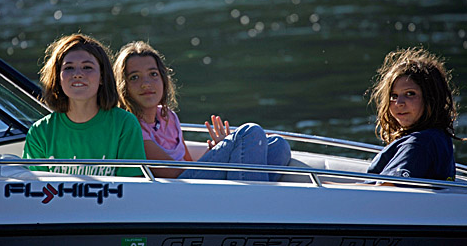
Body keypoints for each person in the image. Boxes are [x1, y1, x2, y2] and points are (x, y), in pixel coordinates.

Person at [113, 41, 291, 181]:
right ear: (123, 86)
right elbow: (172, 173)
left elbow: (189, 164)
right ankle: (249, 204)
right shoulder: (131, 125)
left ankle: (250, 197)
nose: (146, 83)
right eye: (134, 77)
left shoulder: (169, 118)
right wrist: (224, 152)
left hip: (192, 181)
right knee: (249, 133)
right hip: (179, 191)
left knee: (278, 145)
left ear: (163, 79)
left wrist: (215, 151)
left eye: (153, 74)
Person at [23, 34, 146, 177]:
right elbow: (35, 191)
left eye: (87, 67)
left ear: (102, 77)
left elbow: (131, 188)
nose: (77, 74)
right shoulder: (40, 132)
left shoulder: (125, 124)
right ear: (58, 77)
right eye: (69, 68)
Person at [366, 47, 463, 181]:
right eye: (393, 96)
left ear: (431, 98)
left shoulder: (417, 145)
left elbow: (386, 189)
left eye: (410, 94)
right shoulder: (437, 136)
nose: (399, 103)